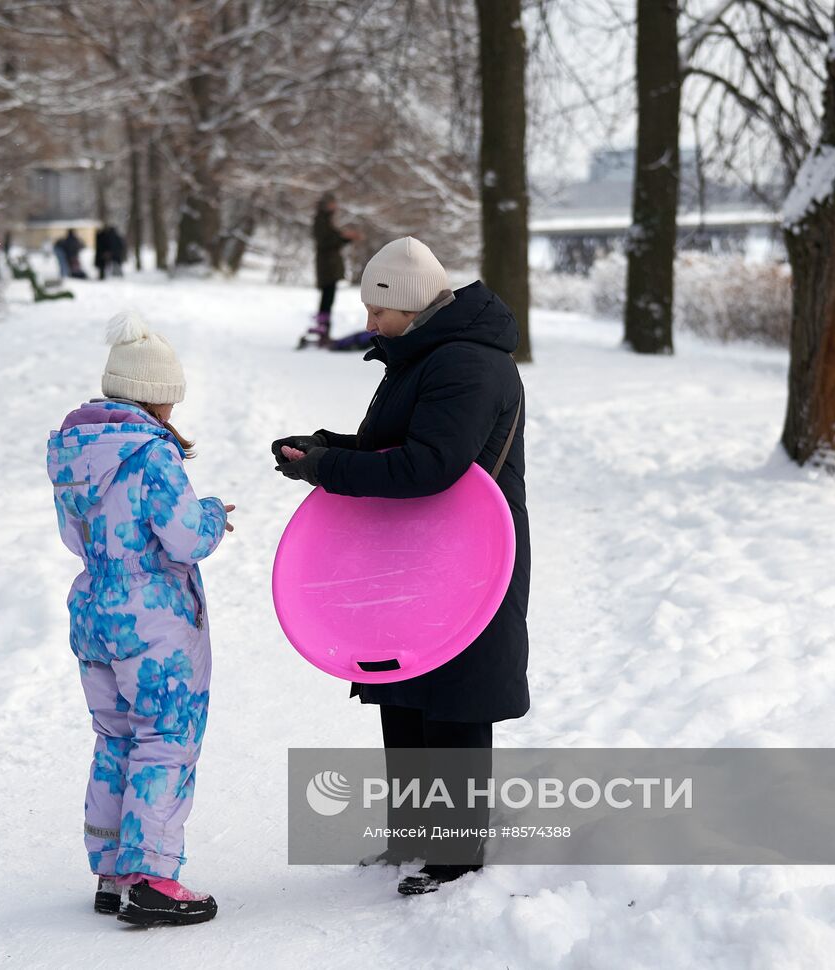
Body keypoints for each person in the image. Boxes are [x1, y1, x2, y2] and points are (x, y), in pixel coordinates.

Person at [272, 237, 530, 896]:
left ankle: (455, 855)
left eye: (378, 309)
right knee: (407, 687)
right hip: (419, 554)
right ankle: (415, 834)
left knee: (453, 701)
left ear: (411, 306)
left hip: (467, 559)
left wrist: (331, 469)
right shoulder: (424, 359)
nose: (369, 322)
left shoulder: (467, 366)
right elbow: (398, 445)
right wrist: (324, 450)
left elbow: (430, 467)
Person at [48, 310, 235, 926]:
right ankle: (152, 876)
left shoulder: (73, 450)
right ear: (158, 399)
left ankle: (111, 870)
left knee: (116, 737)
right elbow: (181, 537)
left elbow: (75, 538)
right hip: (152, 620)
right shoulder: (152, 455)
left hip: (95, 612)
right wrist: (210, 514)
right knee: (165, 740)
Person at [303, 192, 360, 348]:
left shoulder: (326, 220)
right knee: (327, 298)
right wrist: (344, 237)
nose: (335, 206)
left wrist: (343, 237)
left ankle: (324, 331)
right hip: (327, 267)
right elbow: (325, 242)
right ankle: (322, 331)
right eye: (332, 203)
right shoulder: (321, 220)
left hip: (330, 266)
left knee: (328, 298)